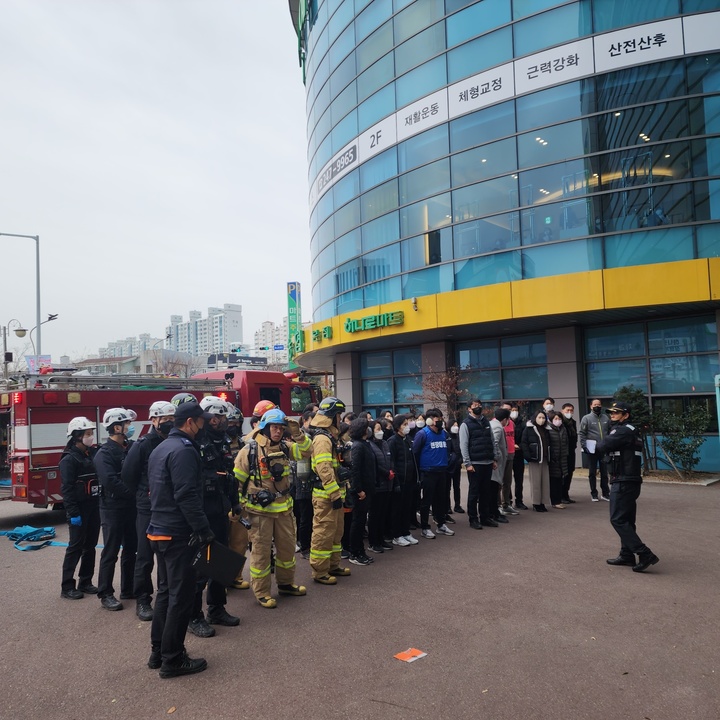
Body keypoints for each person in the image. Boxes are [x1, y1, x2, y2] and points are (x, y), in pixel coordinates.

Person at [147, 401, 214, 678]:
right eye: (201, 421)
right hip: (177, 534)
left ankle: (158, 651)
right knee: (180, 597)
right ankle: (172, 660)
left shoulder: (161, 447)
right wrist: (203, 529)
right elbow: (186, 495)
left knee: (164, 593)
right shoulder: (185, 450)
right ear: (190, 422)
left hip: (159, 530)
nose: (203, 426)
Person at [234, 407, 311, 608]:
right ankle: (262, 592)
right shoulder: (249, 450)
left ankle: (285, 584)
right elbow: (237, 482)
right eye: (274, 427)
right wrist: (237, 506)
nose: (278, 431)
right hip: (260, 513)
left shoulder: (286, 447)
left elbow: (308, 451)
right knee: (260, 553)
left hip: (284, 510)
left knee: (286, 550)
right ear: (265, 428)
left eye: (280, 428)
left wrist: (297, 433)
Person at [188, 396, 240, 635]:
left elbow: (230, 476)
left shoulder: (223, 442)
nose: (219, 421)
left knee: (221, 561)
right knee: (200, 565)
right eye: (214, 417)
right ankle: (193, 616)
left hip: (221, 508)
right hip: (202, 510)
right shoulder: (195, 444)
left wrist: (235, 503)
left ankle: (217, 608)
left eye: (222, 417)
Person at [121, 401, 176, 621]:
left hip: (168, 507)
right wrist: (144, 494)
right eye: (165, 419)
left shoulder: (175, 441)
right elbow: (128, 476)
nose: (169, 423)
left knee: (168, 554)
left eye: (172, 419)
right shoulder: (143, 444)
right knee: (144, 556)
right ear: (154, 420)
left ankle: (167, 594)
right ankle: (143, 600)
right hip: (147, 507)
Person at [597, 401, 659, 573]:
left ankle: (644, 553)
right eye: (611, 412)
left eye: (616, 413)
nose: (612, 415)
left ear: (626, 415)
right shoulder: (631, 430)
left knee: (617, 519)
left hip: (623, 480)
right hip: (630, 480)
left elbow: (602, 446)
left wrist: (600, 440)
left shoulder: (622, 430)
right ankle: (627, 554)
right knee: (627, 520)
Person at [95, 407, 138, 611]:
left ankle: (128, 588)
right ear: (117, 427)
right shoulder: (103, 454)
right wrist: (135, 494)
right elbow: (111, 482)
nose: (130, 428)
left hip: (131, 507)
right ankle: (105, 593)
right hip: (112, 508)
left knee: (131, 549)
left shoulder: (130, 448)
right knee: (111, 551)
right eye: (127, 424)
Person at [308, 397, 352, 584]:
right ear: (332, 417)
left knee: (336, 532)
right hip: (325, 496)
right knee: (323, 533)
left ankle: (333, 565)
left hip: (335, 494)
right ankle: (320, 571)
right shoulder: (322, 439)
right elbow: (324, 468)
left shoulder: (332, 437)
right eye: (338, 415)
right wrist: (334, 494)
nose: (340, 419)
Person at [59, 417, 101, 599]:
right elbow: (67, 489)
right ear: (77, 436)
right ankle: (67, 586)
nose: (91, 437)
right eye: (87, 434)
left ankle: (86, 581)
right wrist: (73, 513)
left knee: (90, 546)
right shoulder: (69, 459)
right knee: (75, 547)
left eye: (91, 433)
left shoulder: (91, 454)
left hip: (94, 506)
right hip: (79, 509)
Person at [413, 408, 455, 538]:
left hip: (442, 471)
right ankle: (425, 527)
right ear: (430, 421)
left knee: (440, 500)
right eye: (437, 420)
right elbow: (415, 452)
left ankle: (441, 524)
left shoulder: (443, 433)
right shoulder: (422, 434)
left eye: (441, 420)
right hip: (428, 472)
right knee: (427, 501)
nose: (440, 422)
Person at [460, 399, 498, 530]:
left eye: (479, 405)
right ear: (469, 409)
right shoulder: (465, 424)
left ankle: (485, 517)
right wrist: (467, 463)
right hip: (475, 464)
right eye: (475, 406)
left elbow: (492, 440)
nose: (478, 407)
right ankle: (473, 519)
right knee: (474, 492)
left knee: (485, 492)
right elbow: (463, 445)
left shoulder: (486, 421)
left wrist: (494, 458)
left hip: (487, 461)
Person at [386, 414, 419, 547]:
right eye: (404, 424)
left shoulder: (408, 440)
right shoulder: (392, 441)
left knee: (407, 508)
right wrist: (396, 482)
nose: (407, 426)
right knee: (397, 510)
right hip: (399, 481)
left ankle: (405, 532)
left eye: (408, 423)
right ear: (397, 426)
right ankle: (396, 535)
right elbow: (391, 462)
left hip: (410, 480)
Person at [347, 417, 376, 566]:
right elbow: (355, 470)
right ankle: (355, 552)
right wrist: (358, 490)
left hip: (367, 488)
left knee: (361, 520)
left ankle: (360, 551)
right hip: (360, 491)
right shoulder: (358, 446)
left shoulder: (365, 444)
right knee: (358, 522)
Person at [367, 419, 396, 553]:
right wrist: (385, 472)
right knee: (374, 514)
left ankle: (381, 539)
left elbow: (390, 459)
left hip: (387, 484)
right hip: (377, 484)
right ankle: (374, 542)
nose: (380, 432)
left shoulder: (384, 443)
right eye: (377, 429)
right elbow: (374, 464)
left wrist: (391, 471)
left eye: (381, 429)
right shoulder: (368, 445)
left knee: (383, 513)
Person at [293, 409, 315, 560]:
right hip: (302, 485)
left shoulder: (314, 436)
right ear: (305, 420)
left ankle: (308, 544)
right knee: (304, 517)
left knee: (309, 517)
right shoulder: (303, 439)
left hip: (311, 484)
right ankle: (304, 546)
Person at [579, 399, 611, 502]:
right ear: (591, 406)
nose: (597, 406)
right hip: (592, 449)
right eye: (595, 404)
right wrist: (584, 446)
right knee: (592, 472)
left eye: (599, 404)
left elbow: (610, 432)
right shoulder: (586, 418)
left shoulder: (606, 418)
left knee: (604, 472)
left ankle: (605, 493)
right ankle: (594, 493)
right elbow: (582, 433)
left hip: (604, 449)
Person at [521, 411, 550, 512]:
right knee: (536, 482)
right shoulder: (529, 429)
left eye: (543, 417)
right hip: (534, 459)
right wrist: (528, 456)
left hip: (545, 459)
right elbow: (524, 443)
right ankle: (536, 503)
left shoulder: (546, 429)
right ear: (535, 418)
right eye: (539, 417)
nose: (541, 420)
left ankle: (543, 502)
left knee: (545, 482)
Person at [489, 407, 510, 523]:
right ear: (505, 419)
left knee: (493, 489)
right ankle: (494, 513)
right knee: (494, 489)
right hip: (495, 464)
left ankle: (493, 512)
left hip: (493, 463)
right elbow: (495, 443)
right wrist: (495, 458)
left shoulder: (492, 423)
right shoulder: (497, 427)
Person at [499, 402, 519, 516]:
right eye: (506, 409)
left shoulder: (511, 423)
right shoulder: (495, 423)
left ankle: (506, 504)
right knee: (498, 482)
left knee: (507, 482)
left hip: (511, 454)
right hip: (501, 455)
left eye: (510, 409)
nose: (508, 411)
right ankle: (498, 505)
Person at [547, 411, 569, 509]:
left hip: (562, 458)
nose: (558, 421)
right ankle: (555, 501)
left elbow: (566, 442)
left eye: (559, 419)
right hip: (553, 459)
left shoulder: (563, 429)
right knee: (554, 480)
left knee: (561, 479)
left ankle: (559, 500)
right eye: (555, 419)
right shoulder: (548, 429)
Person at [510, 404, 528, 509]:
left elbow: (525, 438)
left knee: (519, 479)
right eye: (512, 410)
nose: (514, 412)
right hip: (508, 453)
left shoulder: (523, 424)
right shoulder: (505, 423)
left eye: (515, 410)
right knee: (507, 480)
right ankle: (508, 501)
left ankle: (519, 501)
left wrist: (520, 446)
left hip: (519, 453)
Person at [446, 415, 464, 516]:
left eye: (457, 425)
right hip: (449, 467)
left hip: (458, 465)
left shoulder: (459, 437)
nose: (456, 427)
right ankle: (447, 506)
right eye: (454, 425)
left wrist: (460, 460)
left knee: (457, 486)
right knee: (447, 487)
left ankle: (457, 505)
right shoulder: (446, 437)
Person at [561, 403, 578, 504]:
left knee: (570, 472)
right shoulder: (560, 422)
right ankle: (562, 495)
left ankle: (566, 494)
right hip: (563, 452)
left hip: (571, 451)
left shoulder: (573, 422)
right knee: (564, 473)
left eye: (571, 410)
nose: (569, 412)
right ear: (562, 410)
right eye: (567, 410)